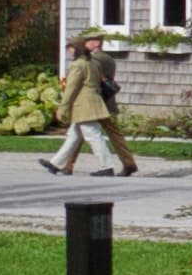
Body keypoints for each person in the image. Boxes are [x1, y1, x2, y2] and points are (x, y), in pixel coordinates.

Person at [45, 31, 139, 176]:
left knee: (90, 134)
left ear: (94, 43)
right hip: (103, 101)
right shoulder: (107, 59)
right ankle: (57, 164)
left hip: (91, 102)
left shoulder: (90, 61)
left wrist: (64, 106)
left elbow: (75, 86)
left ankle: (76, 165)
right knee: (79, 133)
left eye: (89, 41)